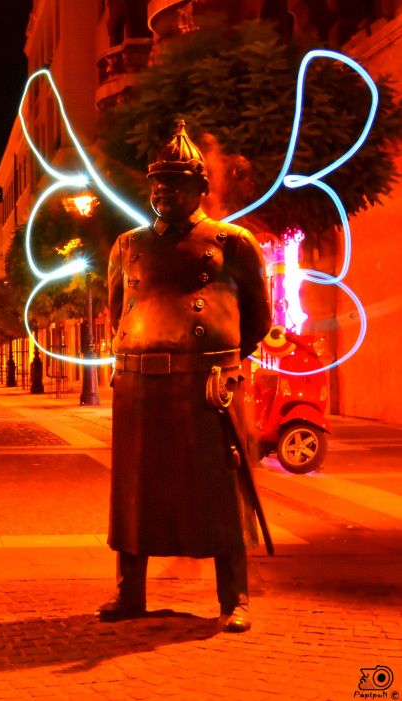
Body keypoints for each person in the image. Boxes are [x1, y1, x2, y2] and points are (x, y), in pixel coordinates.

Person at [97, 120, 271, 633]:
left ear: (200, 187)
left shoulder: (231, 242)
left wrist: (226, 364)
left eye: (173, 181)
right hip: (141, 386)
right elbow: (117, 310)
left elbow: (258, 317)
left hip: (207, 385)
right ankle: (130, 593)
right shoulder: (127, 245)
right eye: (156, 182)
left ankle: (233, 596)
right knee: (136, 493)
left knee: (217, 491)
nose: (161, 191)